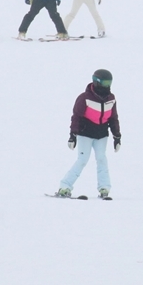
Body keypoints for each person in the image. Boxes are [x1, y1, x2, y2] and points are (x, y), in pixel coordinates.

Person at [56, 69, 120, 199]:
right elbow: (76, 117)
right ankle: (65, 186)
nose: (107, 86)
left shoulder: (111, 99)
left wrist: (117, 136)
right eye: (104, 83)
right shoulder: (84, 98)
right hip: (85, 133)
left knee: (102, 159)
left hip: (102, 134)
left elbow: (113, 118)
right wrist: (72, 135)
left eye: (109, 83)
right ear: (96, 82)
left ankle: (104, 188)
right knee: (82, 160)